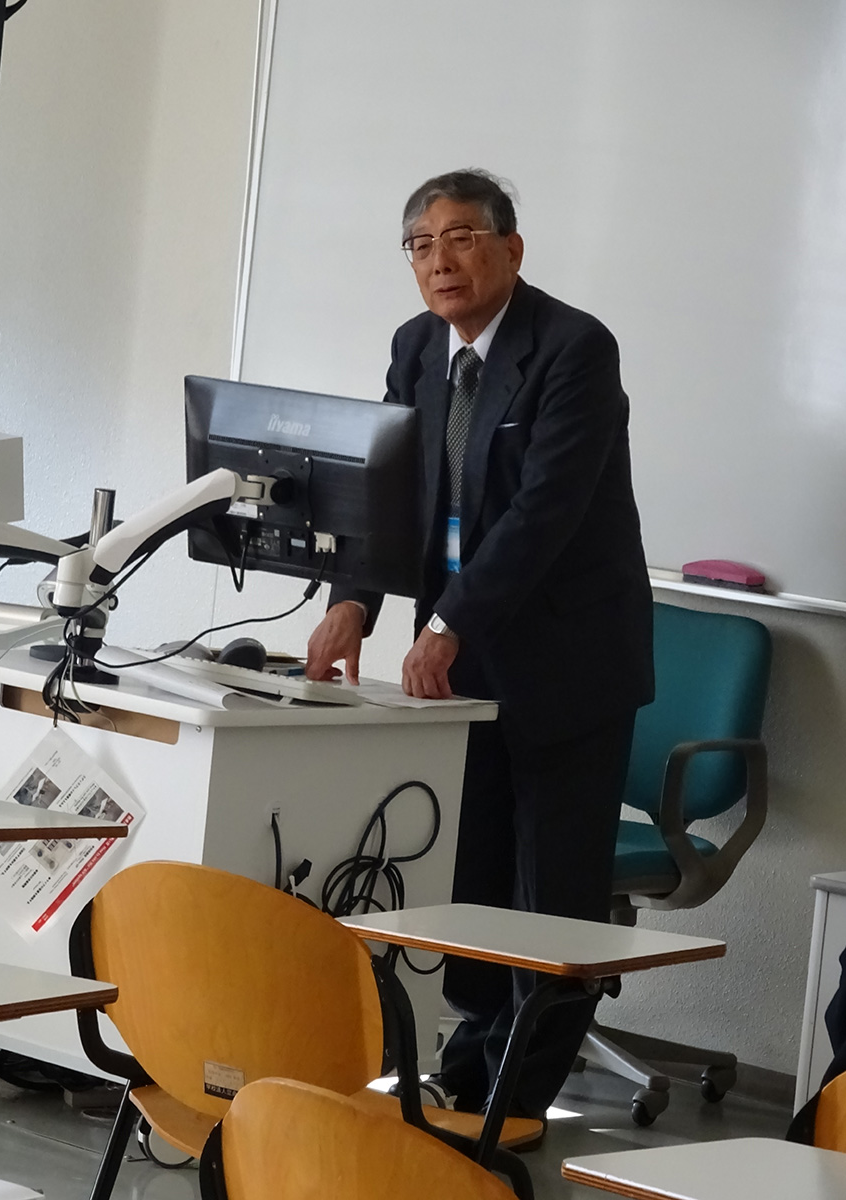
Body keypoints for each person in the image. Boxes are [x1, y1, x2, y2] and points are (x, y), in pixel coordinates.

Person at [305, 169, 654, 1119]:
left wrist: (446, 622)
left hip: (567, 663)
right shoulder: (416, 347)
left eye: (460, 237)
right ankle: (468, 1077)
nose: (440, 260)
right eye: (421, 244)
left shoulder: (573, 349)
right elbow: (385, 488)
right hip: (462, 658)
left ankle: (518, 1107)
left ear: (510, 248)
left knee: (552, 900)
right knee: (476, 880)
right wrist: (354, 602)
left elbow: (544, 513)